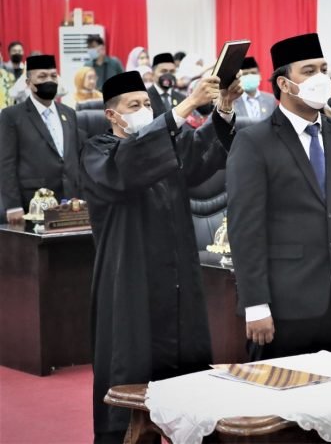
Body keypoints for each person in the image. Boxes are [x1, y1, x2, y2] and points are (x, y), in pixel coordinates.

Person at [81, 70, 242, 443]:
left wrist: (223, 107)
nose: (143, 110)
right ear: (111, 114)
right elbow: (129, 167)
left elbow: (202, 156)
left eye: (146, 103)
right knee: (130, 380)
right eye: (133, 105)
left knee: (189, 383)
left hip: (178, 282)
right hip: (129, 285)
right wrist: (187, 104)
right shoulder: (97, 152)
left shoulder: (166, 144)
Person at [226, 33, 331, 361]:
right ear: (284, 83)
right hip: (282, 301)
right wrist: (255, 304)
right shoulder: (255, 142)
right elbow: (245, 230)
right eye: (308, 71)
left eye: (323, 69)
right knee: (278, 390)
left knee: (330, 388)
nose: (320, 78)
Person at [0, 55, 81, 214]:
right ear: (28, 83)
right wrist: (13, 205)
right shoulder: (12, 116)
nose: (49, 81)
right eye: (42, 76)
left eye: (53, 76)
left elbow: (75, 156)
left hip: (70, 201)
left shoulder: (69, 113)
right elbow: (6, 163)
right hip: (33, 203)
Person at [232, 56, 277, 120]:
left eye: (253, 73)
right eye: (245, 74)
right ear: (239, 77)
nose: (249, 76)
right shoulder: (232, 101)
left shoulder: (271, 99)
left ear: (260, 75)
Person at [148, 53, 187, 117]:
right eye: (163, 71)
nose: (168, 75)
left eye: (172, 71)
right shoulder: (145, 98)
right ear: (152, 75)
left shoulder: (182, 98)